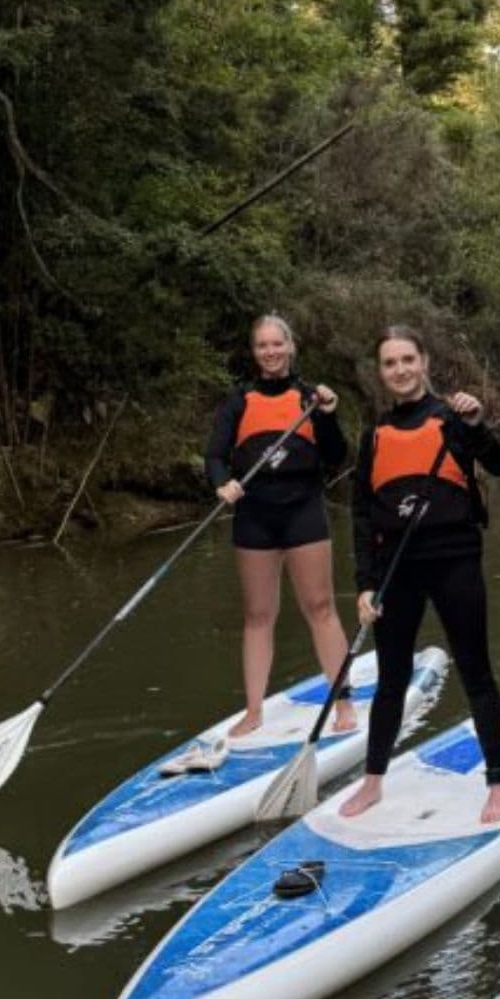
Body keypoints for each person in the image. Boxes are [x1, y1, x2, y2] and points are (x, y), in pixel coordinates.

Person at [165, 314, 354, 774]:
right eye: (262, 345)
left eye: (277, 344)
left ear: (290, 347)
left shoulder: (310, 398)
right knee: (257, 615)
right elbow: (215, 455)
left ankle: (343, 703)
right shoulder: (239, 401)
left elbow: (336, 456)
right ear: (254, 352)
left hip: (303, 510)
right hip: (255, 516)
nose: (271, 352)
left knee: (320, 607)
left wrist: (328, 414)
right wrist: (221, 483)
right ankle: (254, 711)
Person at [341, 325, 500, 823]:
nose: (400, 370)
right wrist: (366, 583)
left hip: (455, 560)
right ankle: (373, 782)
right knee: (391, 679)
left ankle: (498, 782)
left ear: (424, 363)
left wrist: (477, 424)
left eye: (407, 360)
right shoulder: (374, 436)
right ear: (381, 372)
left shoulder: (454, 419)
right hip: (397, 569)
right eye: (390, 363)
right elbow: (362, 514)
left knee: (475, 671)